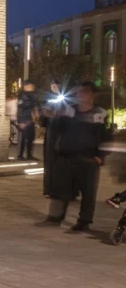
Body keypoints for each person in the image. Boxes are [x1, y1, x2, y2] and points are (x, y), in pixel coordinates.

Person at [47, 81, 109, 231]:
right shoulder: (69, 111)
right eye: (79, 91)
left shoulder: (99, 114)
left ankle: (84, 221)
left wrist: (100, 156)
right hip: (67, 156)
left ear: (93, 94)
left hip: (88, 159)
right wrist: (53, 116)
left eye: (85, 91)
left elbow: (105, 137)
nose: (80, 94)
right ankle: (56, 216)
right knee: (62, 188)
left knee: (88, 193)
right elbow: (57, 128)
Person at [16, 80, 39, 161]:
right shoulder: (22, 95)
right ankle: (20, 155)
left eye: (32, 86)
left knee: (30, 138)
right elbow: (21, 108)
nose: (32, 87)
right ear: (25, 86)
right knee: (23, 138)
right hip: (24, 120)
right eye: (30, 86)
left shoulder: (33, 95)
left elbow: (35, 105)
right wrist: (20, 121)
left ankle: (29, 155)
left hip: (30, 120)